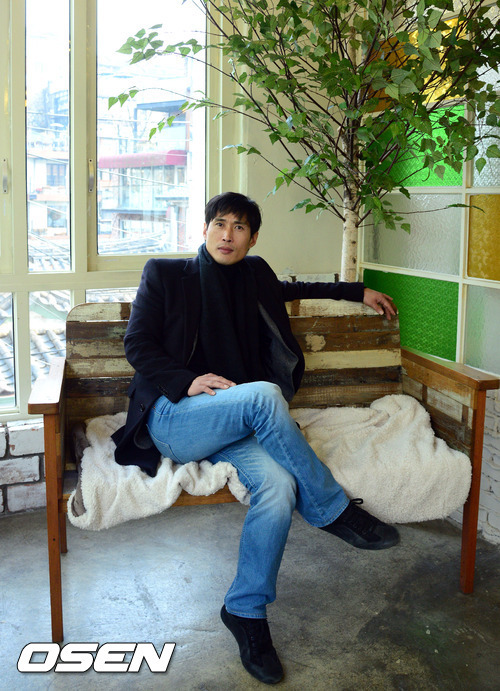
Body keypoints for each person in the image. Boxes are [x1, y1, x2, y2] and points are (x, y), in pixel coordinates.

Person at [112, 191, 399, 685]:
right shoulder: (165, 274)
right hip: (177, 417)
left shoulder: (255, 275)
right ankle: (333, 509)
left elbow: (298, 287)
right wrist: (187, 381)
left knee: (279, 487)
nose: (227, 235)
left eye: (239, 227)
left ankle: (245, 611)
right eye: (220, 224)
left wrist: (358, 291)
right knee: (265, 395)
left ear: (253, 238)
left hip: (235, 421)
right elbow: (136, 343)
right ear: (205, 229)